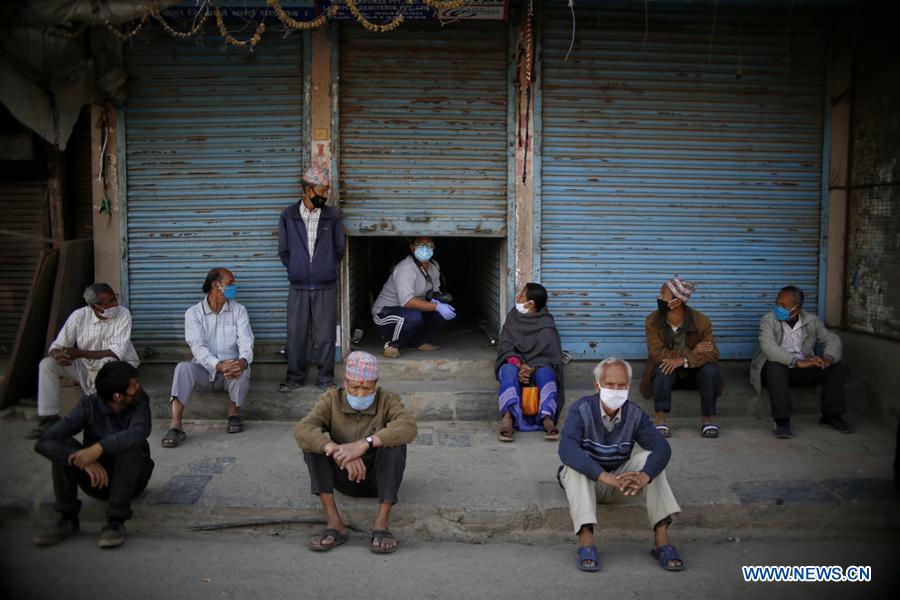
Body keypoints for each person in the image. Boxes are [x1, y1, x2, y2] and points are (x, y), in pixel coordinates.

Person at [558, 358, 683, 572]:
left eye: (621, 385)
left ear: (628, 387)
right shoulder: (582, 409)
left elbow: (662, 448)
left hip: (621, 484)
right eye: (610, 384)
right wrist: (606, 477)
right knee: (574, 465)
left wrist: (644, 476)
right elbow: (566, 449)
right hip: (590, 484)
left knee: (650, 461)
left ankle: (661, 541)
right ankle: (587, 542)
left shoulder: (634, 414)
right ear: (597, 386)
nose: (616, 390)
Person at [293, 351, 417, 554]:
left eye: (367, 388)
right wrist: (336, 451)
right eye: (355, 387)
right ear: (345, 381)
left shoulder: (388, 400)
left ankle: (382, 524)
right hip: (343, 478)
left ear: (375, 384)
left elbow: (408, 426)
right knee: (313, 445)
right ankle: (334, 523)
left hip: (378, 478)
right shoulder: (331, 399)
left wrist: (365, 444)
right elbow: (302, 429)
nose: (360, 393)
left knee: (394, 444)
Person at [33, 360, 153, 549]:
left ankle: (116, 522)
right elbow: (45, 442)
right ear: (117, 396)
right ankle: (68, 519)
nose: (138, 387)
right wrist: (82, 459)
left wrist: (99, 449)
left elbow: (140, 431)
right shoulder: (88, 405)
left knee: (130, 446)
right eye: (133, 385)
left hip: (132, 480)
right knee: (63, 447)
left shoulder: (139, 400)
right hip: (96, 480)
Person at [30, 283, 140, 439]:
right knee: (47, 365)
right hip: (86, 366)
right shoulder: (79, 316)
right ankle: (49, 418)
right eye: (106, 303)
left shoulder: (123, 314)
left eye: (113, 299)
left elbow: (115, 353)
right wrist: (58, 354)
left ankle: (102, 418)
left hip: (118, 365)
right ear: (94, 307)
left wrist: (78, 353)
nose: (112, 305)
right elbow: (57, 346)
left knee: (107, 363)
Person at [161, 267, 254, 448]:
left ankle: (234, 415)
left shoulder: (239, 310)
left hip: (230, 372)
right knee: (182, 368)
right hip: (205, 370)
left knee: (243, 368)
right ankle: (176, 425)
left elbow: (246, 340)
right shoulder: (193, 313)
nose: (234, 287)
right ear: (215, 285)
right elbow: (197, 346)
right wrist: (217, 365)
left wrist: (242, 361)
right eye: (230, 283)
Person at [750, 285, 851, 439]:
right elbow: (768, 347)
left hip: (802, 368)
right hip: (778, 369)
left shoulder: (811, 320)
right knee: (775, 366)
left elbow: (831, 339)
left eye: (783, 305)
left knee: (836, 366)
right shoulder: (768, 320)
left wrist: (828, 358)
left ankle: (831, 416)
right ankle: (782, 421)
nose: (779, 308)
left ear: (797, 307)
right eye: (777, 303)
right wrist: (796, 361)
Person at [278, 165, 345, 392]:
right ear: (307, 190)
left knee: (325, 335)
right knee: (296, 334)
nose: (325, 195)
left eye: (327, 191)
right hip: (298, 285)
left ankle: (325, 379)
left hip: (325, 285)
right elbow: (284, 251)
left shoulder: (332, 216)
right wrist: (296, 269)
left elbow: (339, 249)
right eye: (321, 190)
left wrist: (324, 267)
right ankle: (294, 377)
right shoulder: (289, 215)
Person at [639, 276, 723, 438]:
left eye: (663, 294)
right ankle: (660, 419)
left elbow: (713, 353)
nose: (659, 298)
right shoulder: (652, 321)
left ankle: (707, 419)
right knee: (663, 366)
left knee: (711, 369)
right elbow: (657, 353)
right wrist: (692, 353)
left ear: (676, 302)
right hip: (668, 372)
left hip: (694, 371)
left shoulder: (701, 321)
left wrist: (684, 360)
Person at [495, 282, 566, 442]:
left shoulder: (547, 324)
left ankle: (547, 417)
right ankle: (508, 417)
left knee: (547, 372)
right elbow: (505, 346)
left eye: (522, 295)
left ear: (531, 304)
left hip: (538, 367)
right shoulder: (513, 317)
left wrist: (532, 368)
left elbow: (552, 356)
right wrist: (519, 365)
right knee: (508, 370)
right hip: (515, 365)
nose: (517, 296)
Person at [371, 236, 456, 359]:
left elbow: (435, 292)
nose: (425, 248)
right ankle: (392, 345)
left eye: (428, 244)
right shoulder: (406, 268)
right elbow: (408, 302)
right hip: (385, 314)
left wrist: (438, 301)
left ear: (434, 247)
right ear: (412, 247)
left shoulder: (434, 266)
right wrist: (436, 306)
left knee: (442, 314)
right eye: (420, 244)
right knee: (413, 316)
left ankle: (416, 343)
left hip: (410, 311)